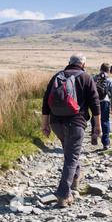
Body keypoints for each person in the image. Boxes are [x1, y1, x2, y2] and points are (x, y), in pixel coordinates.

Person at [42, 53, 101, 208]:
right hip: (76, 123)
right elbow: (95, 102)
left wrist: (45, 123)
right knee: (71, 158)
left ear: (68, 63)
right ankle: (63, 195)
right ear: (83, 65)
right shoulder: (86, 77)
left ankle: (76, 177)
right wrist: (98, 125)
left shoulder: (57, 76)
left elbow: (45, 100)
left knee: (70, 152)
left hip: (56, 123)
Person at [91, 63, 112, 150]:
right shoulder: (110, 80)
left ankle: (94, 134)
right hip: (105, 102)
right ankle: (106, 142)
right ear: (109, 71)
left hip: (95, 102)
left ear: (100, 69)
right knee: (105, 121)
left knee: (94, 119)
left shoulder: (94, 79)